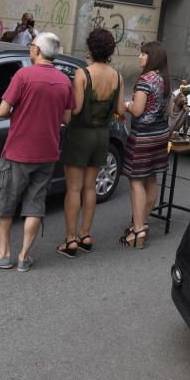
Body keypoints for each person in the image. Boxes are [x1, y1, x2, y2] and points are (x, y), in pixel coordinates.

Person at [0, 32, 75, 272]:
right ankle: (23, 257)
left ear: (37, 51)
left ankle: (3, 253)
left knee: (5, 201)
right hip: (48, 152)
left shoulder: (23, 75)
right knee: (35, 203)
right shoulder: (64, 81)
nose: (30, 49)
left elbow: (1, 111)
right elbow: (67, 118)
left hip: (18, 151)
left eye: (31, 46)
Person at [57, 28, 126, 258]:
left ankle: (70, 239)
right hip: (101, 136)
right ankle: (86, 235)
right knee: (90, 187)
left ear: (90, 48)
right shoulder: (117, 75)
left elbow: (75, 109)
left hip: (80, 134)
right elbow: (118, 109)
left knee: (73, 189)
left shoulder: (82, 74)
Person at [120, 41, 171, 249]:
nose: (139, 57)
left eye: (143, 54)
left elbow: (138, 110)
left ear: (153, 57)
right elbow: (168, 112)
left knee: (136, 181)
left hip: (143, 135)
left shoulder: (145, 80)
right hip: (160, 135)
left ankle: (138, 229)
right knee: (151, 179)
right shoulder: (165, 80)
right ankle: (144, 223)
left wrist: (127, 105)